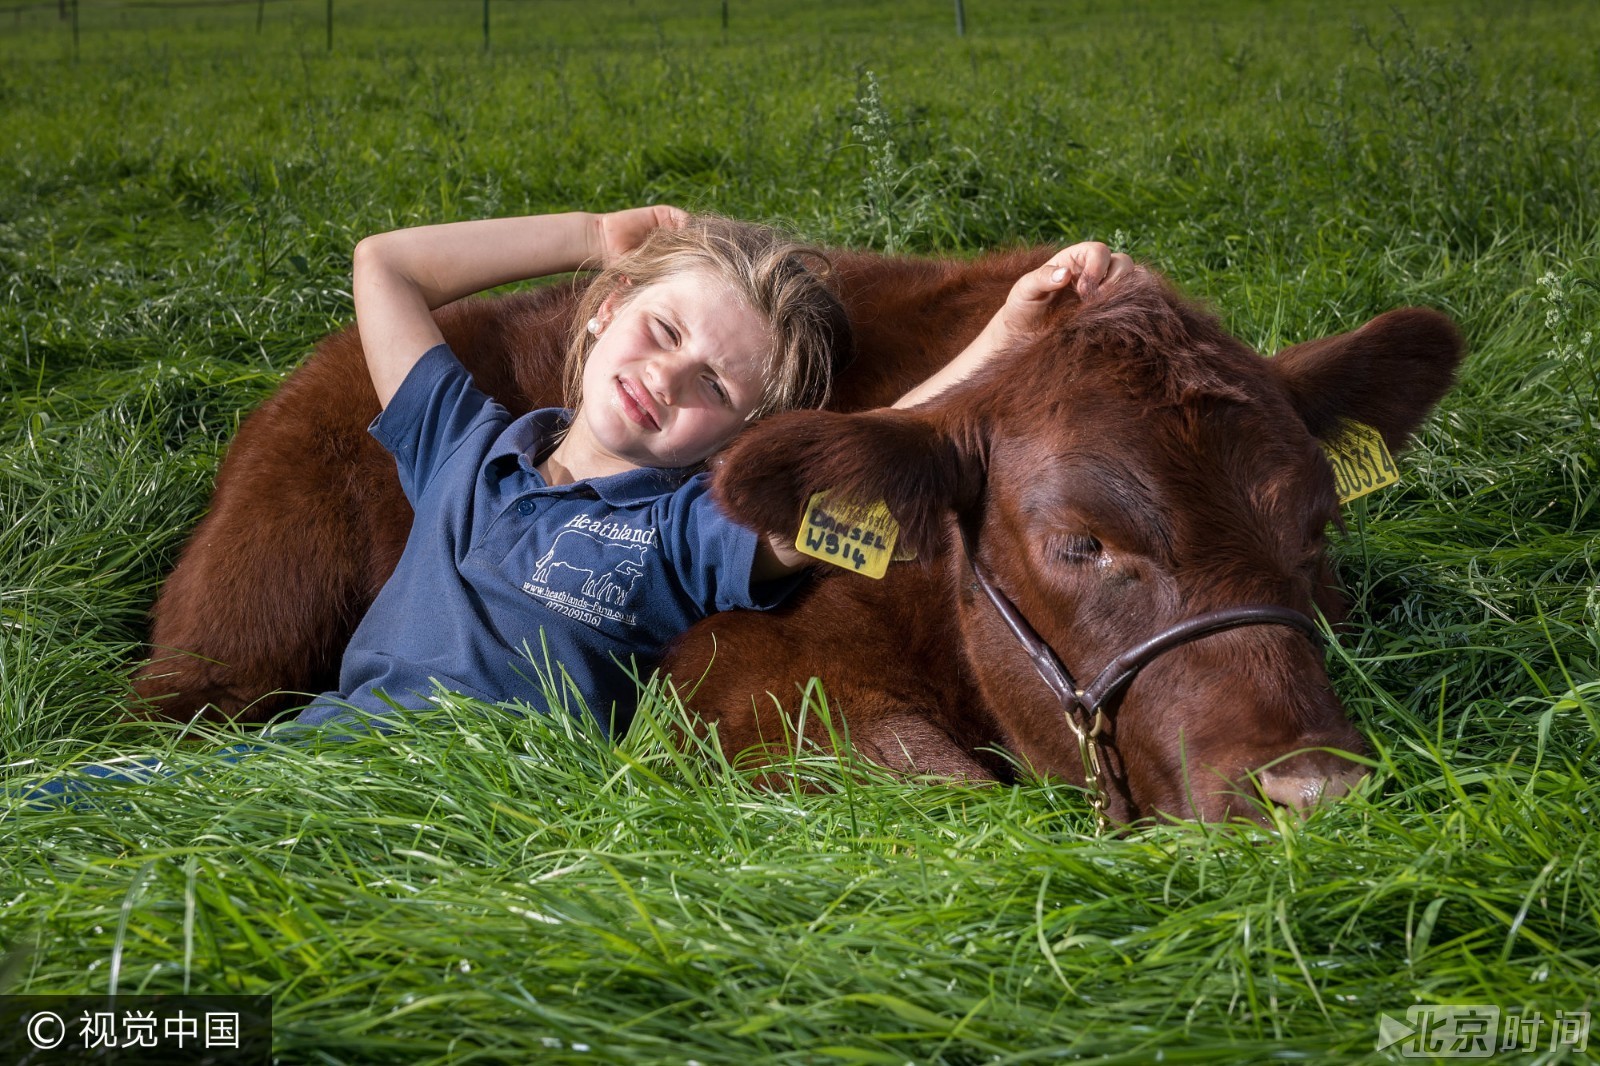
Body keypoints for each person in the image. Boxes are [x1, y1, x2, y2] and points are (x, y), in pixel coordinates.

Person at [292, 206, 1132, 737]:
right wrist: (593, 235)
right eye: (662, 331)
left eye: (714, 385)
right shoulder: (463, 447)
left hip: (461, 814)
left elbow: (852, 472)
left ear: (744, 432)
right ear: (610, 305)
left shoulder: (685, 534)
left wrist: (1005, 340)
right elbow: (384, 266)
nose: (665, 378)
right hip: (304, 760)